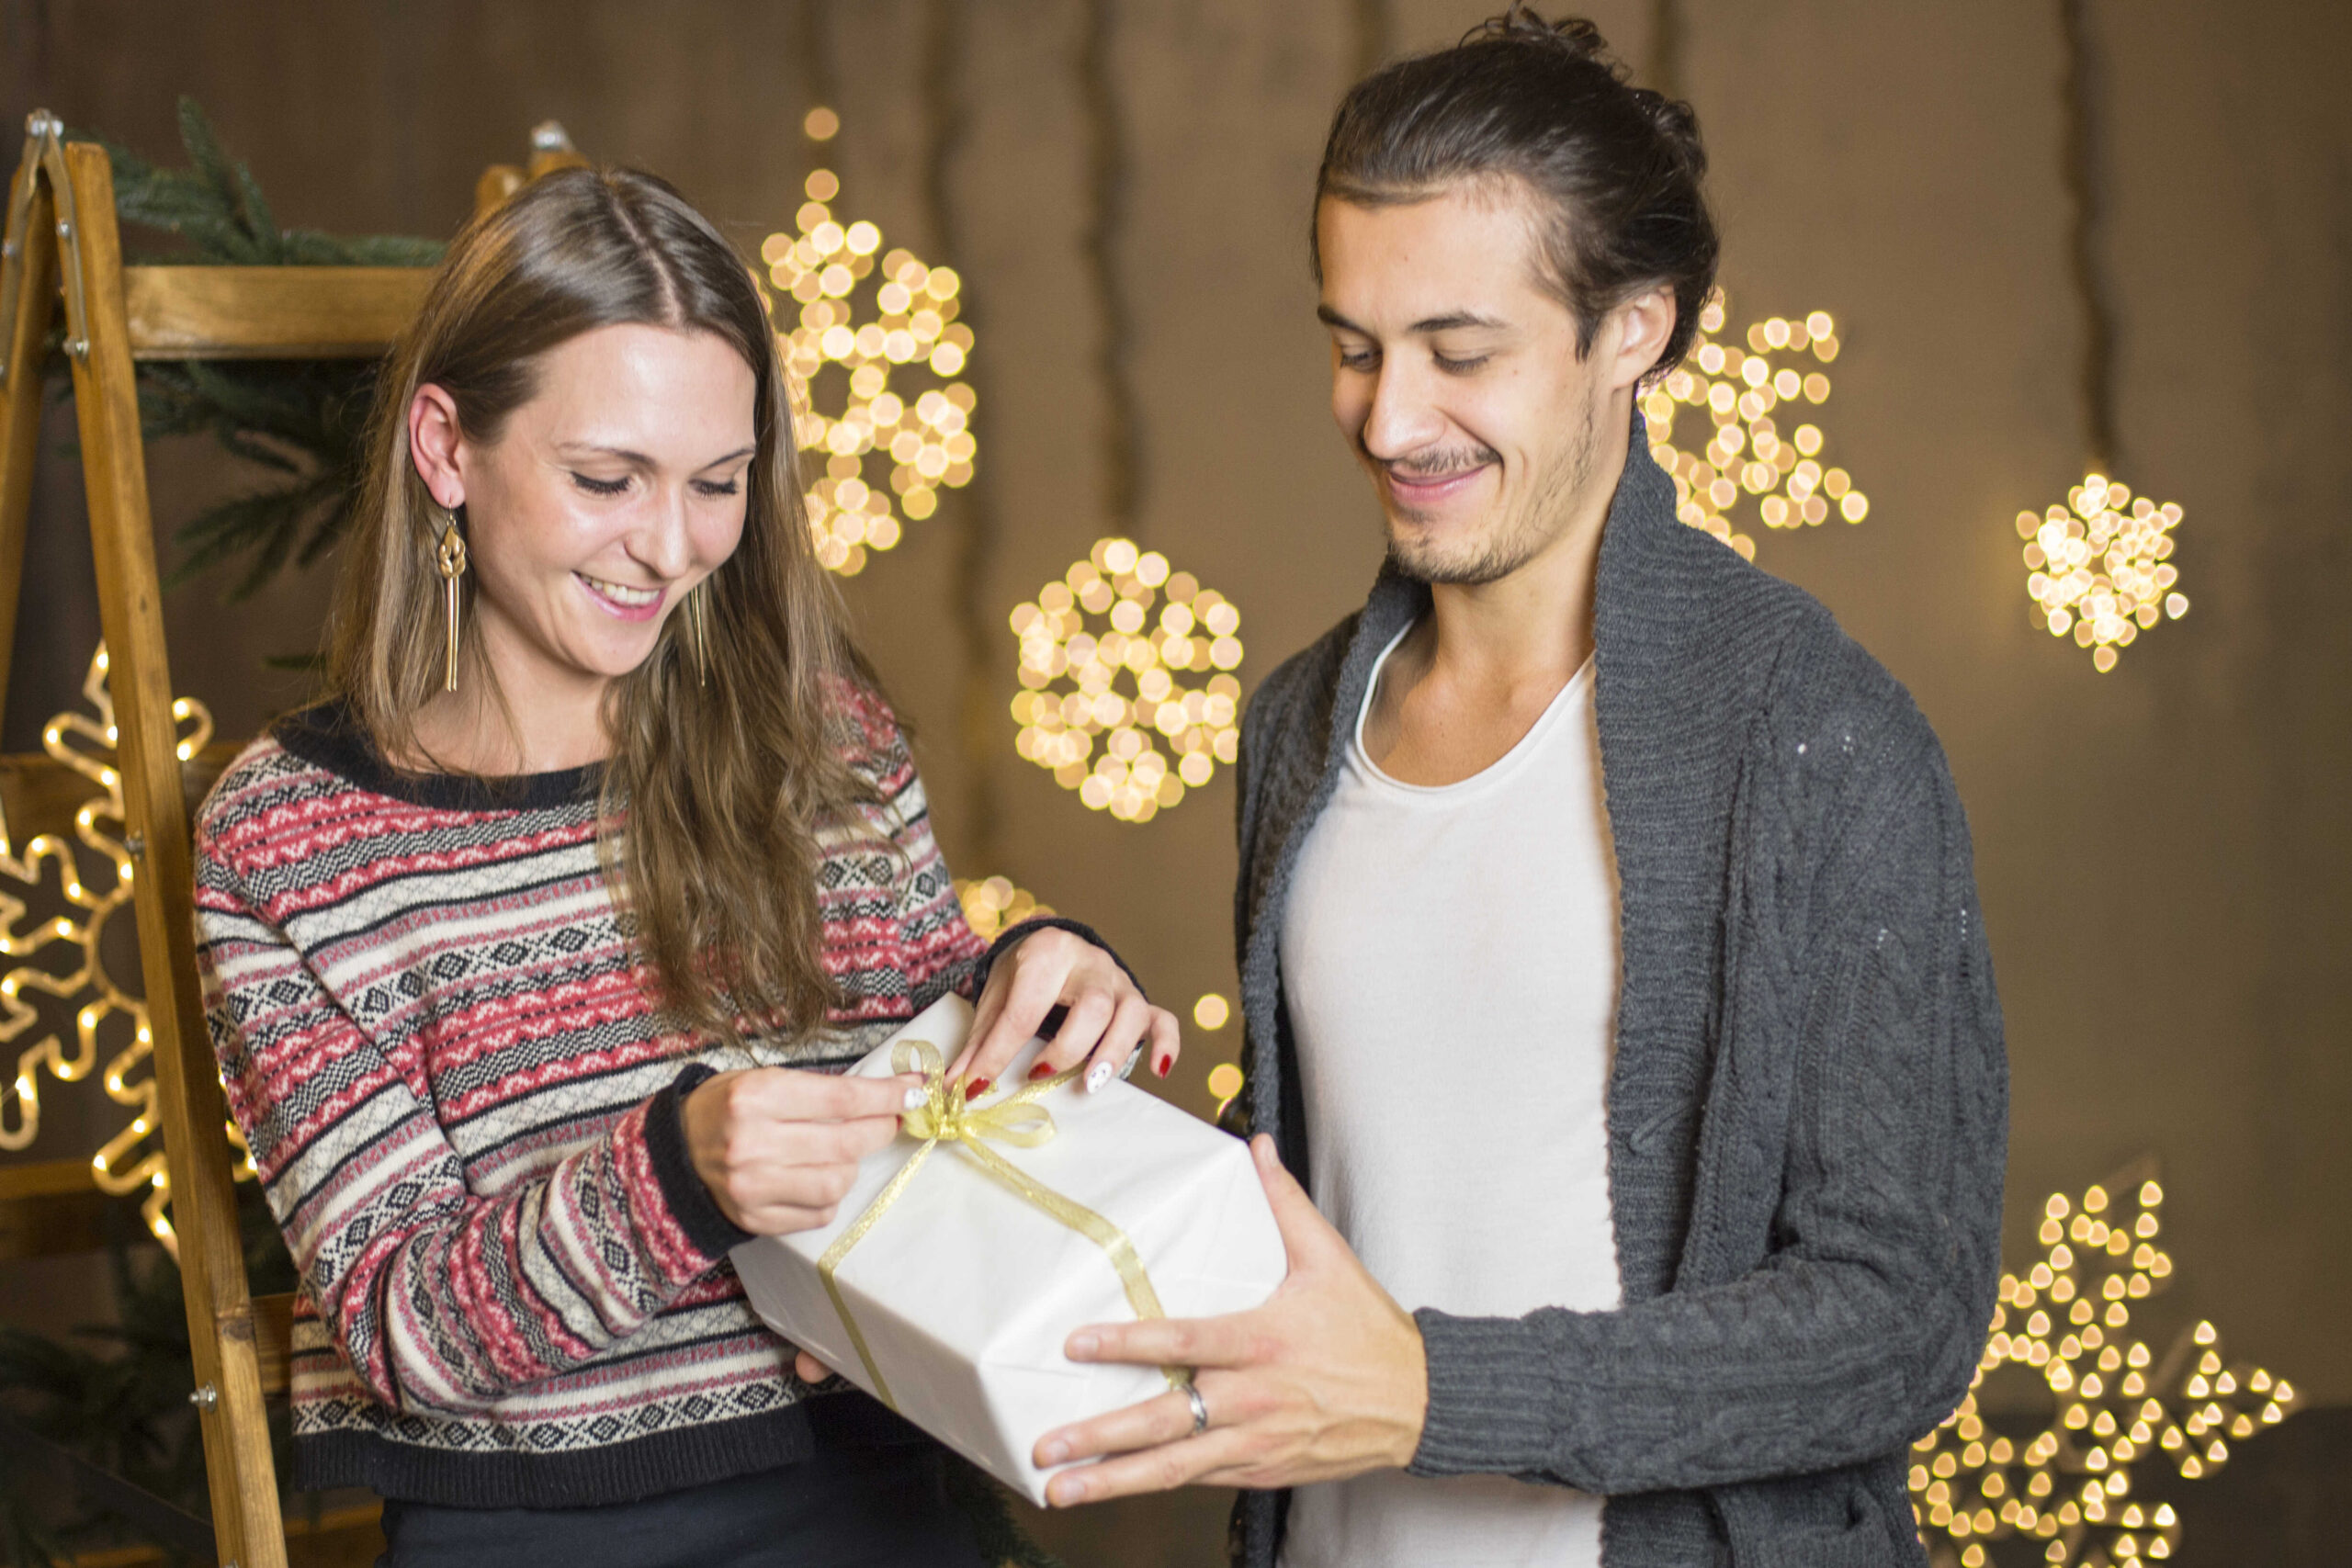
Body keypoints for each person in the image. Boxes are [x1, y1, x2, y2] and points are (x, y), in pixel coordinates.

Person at [982, 11, 2007, 1565]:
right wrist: (1086, 1063)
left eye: (1462, 354)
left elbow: (1898, 1323)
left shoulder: (1815, 739)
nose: (1390, 422)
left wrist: (1437, 1392)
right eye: (1352, 347)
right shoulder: (1299, 724)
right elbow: (1336, 1182)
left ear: (1633, 333)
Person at [192, 166, 1180, 1568]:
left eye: (716, 485)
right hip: (538, 1539)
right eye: (607, 479)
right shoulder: (289, 839)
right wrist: (676, 1176)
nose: (669, 548)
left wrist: (1037, 987)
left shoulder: (820, 734)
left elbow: (935, 1084)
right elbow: (402, 1325)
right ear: (446, 449)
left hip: (885, 1502)